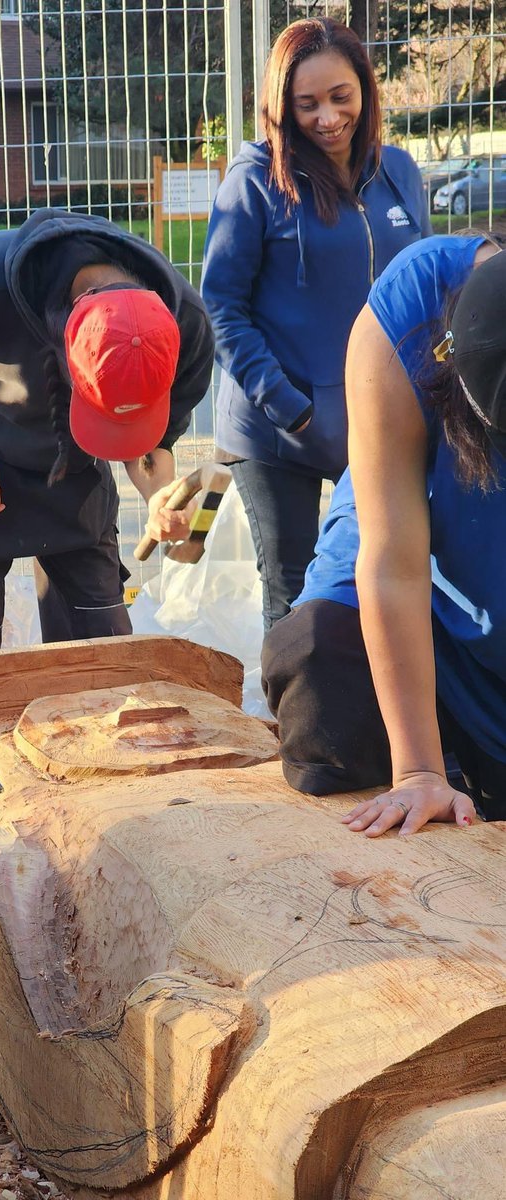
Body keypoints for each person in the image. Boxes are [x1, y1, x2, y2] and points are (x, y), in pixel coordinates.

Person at [0, 207, 215, 653]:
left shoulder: (185, 324)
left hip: (70, 472)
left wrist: (159, 496)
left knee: (105, 655)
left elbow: (151, 446)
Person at [262, 233, 506, 837]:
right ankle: (437, 752)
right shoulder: (407, 313)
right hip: (400, 531)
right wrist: (417, 771)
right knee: (319, 689)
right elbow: (394, 562)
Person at [201, 16, 430, 631]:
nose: (327, 117)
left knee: (383, 580)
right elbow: (220, 305)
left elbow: (424, 290)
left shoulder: (400, 174)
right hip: (279, 430)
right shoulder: (253, 182)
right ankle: (293, 726)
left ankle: (369, 718)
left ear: (364, 91)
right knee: (292, 595)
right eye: (307, 104)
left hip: (376, 423)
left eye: (340, 97)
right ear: (282, 104)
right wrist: (287, 404)